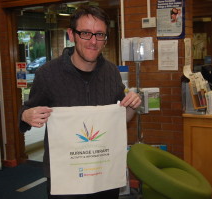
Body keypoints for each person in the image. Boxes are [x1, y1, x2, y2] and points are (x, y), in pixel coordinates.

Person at [19, 5, 141, 199]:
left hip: (102, 173)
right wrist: (26, 115)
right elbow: (26, 112)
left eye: (100, 34)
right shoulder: (48, 74)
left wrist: (132, 106)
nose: (93, 41)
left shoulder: (111, 72)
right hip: (65, 174)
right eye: (86, 33)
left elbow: (120, 118)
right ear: (71, 34)